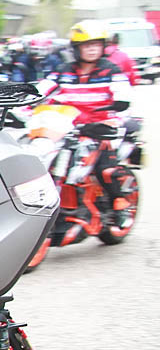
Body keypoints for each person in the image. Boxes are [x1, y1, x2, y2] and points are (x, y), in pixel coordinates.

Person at [41, 20, 133, 209]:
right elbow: (41, 89)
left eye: (96, 45)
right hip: (68, 127)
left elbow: (123, 92)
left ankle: (120, 203)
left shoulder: (112, 71)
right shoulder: (63, 71)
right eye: (87, 45)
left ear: (103, 47)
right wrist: (21, 98)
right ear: (76, 48)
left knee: (105, 169)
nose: (92, 49)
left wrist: (120, 101)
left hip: (102, 127)